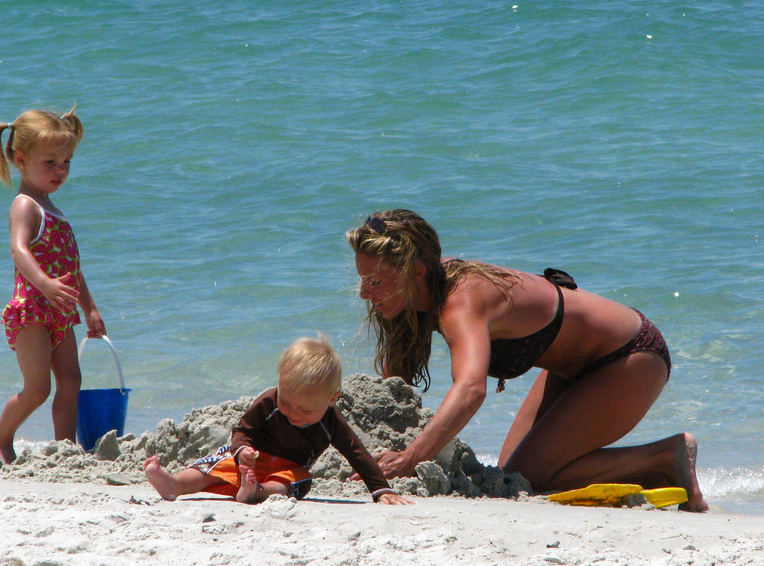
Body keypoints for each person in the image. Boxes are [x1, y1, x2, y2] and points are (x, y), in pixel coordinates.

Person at [347, 209, 708, 512]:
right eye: (364, 279)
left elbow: (471, 389)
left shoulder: (461, 301)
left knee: (531, 478)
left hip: (630, 356)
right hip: (571, 369)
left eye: (376, 281)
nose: (365, 292)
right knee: (512, 477)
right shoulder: (409, 297)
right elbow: (392, 393)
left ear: (416, 272)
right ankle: (660, 476)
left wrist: (410, 458)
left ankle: (667, 455)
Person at [144, 336, 413, 506]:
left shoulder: (330, 422)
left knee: (299, 480)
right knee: (213, 465)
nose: (293, 412)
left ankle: (258, 492)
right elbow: (241, 431)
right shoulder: (269, 403)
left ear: (332, 399)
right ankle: (175, 484)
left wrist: (380, 489)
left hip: (286, 469)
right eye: (286, 401)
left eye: (305, 409)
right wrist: (242, 451)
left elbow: (356, 452)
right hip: (248, 461)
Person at [0, 108, 106, 464]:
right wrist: (44, 283)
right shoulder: (25, 205)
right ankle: (0, 438)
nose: (61, 170)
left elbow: (73, 268)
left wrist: (90, 308)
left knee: (71, 381)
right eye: (50, 162)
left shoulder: (54, 209)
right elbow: (17, 250)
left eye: (67, 162)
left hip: (60, 311)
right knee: (38, 388)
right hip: (32, 310)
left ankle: (64, 449)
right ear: (20, 160)